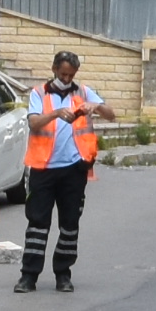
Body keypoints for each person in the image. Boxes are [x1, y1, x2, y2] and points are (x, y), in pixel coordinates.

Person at [15, 48, 102, 293]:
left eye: (70, 75)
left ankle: (63, 274)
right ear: (54, 69)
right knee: (37, 224)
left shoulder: (83, 92)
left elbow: (110, 113)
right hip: (43, 168)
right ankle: (28, 276)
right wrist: (54, 113)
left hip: (74, 169)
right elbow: (33, 122)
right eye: (63, 74)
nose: (66, 79)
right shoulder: (39, 93)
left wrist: (94, 106)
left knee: (70, 224)